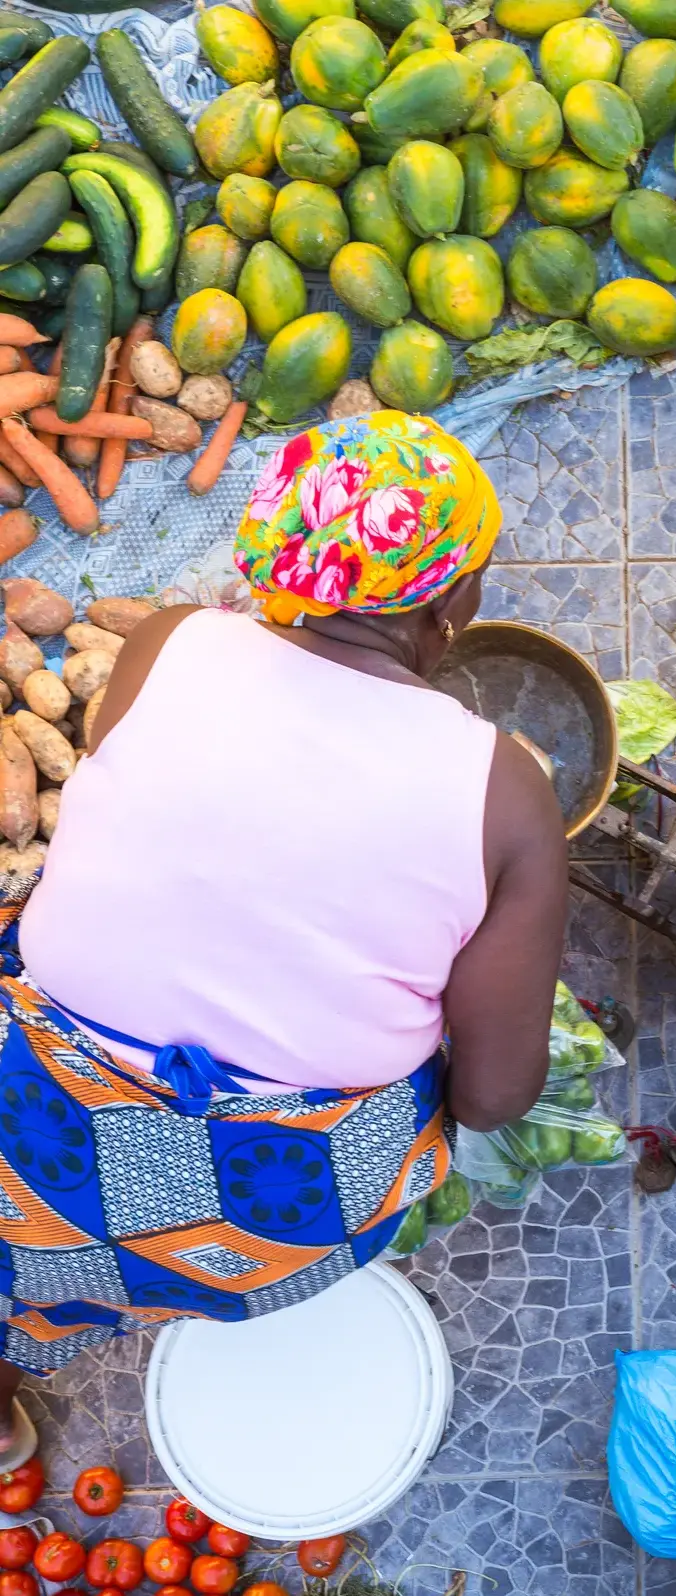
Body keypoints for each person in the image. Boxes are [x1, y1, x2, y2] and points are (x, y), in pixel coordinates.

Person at [0, 412, 567, 1392]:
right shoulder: (504, 792)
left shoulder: (171, 644)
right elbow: (492, 1094)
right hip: (281, 1213)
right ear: (454, 604)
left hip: (32, 1143)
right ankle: (188, 1281)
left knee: (31, 1260)